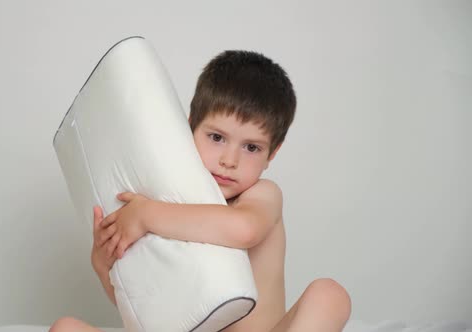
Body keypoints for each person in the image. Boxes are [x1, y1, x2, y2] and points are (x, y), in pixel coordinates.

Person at [50, 50, 351, 332]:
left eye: (251, 147)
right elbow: (143, 305)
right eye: (217, 137)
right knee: (65, 327)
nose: (229, 160)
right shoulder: (167, 199)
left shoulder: (260, 195)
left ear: (272, 153)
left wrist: (145, 215)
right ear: (190, 126)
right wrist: (104, 263)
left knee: (329, 295)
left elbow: (243, 229)